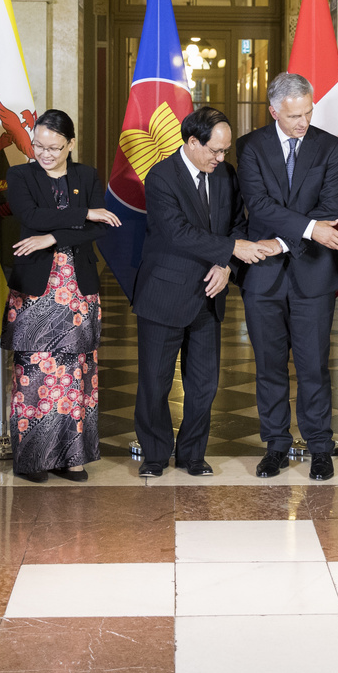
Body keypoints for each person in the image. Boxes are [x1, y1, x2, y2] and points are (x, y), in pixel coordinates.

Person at [132, 107, 272, 477]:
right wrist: (231, 251)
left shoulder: (225, 175)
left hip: (210, 294)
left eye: (225, 151)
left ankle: (193, 454)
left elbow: (239, 224)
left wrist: (227, 266)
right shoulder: (161, 176)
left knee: (204, 384)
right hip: (164, 295)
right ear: (193, 142)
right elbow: (178, 232)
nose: (221, 158)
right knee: (155, 383)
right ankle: (155, 454)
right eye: (215, 151)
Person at [236, 72, 338, 481]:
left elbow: (330, 209)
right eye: (294, 116)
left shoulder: (330, 148)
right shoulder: (249, 147)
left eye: (308, 112)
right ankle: (276, 446)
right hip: (263, 278)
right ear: (273, 112)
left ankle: (320, 446)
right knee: (268, 365)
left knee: (313, 365)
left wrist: (287, 241)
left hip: (313, 275)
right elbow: (259, 206)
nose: (303, 122)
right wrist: (309, 229)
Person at [4, 109, 119, 482]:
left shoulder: (86, 175)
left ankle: (72, 458)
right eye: (38, 145)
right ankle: (34, 459)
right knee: (34, 375)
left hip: (77, 288)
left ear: (70, 144)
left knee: (75, 373)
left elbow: (97, 231)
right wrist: (84, 213)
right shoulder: (20, 174)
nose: (45, 154)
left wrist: (54, 237)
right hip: (36, 290)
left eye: (54, 147)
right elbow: (30, 215)